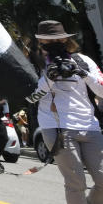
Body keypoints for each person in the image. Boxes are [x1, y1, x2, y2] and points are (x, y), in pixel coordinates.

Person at [28, 20, 103, 203]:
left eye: (58, 40)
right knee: (76, 182)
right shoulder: (35, 64)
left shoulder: (83, 61)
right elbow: (30, 98)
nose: (54, 44)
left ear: (65, 39)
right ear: (41, 42)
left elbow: (101, 90)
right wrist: (49, 79)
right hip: (57, 128)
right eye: (48, 41)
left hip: (89, 126)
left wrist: (83, 73)